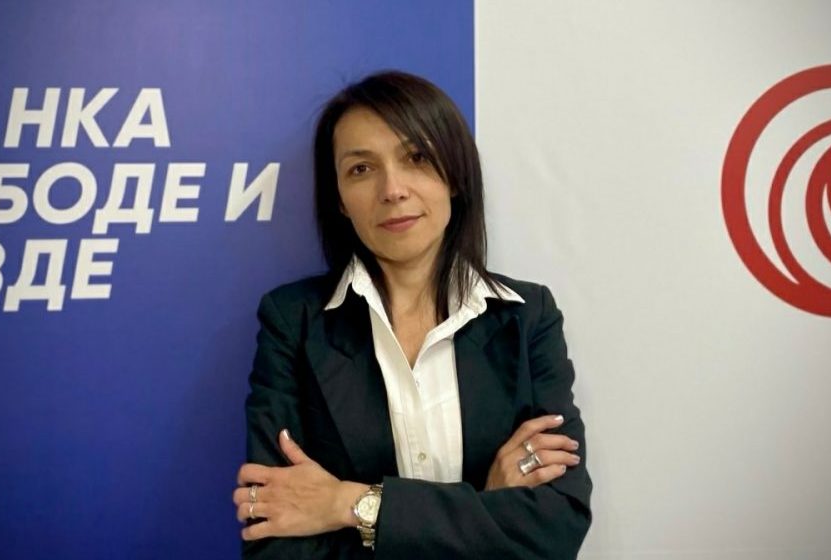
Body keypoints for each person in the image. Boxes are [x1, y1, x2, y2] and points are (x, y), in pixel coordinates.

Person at [232, 70, 592, 559]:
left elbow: (555, 528)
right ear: (339, 200)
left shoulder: (528, 319)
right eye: (361, 169)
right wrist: (486, 507)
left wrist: (350, 504)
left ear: (455, 175)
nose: (393, 189)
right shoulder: (292, 323)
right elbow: (274, 544)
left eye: (416, 158)